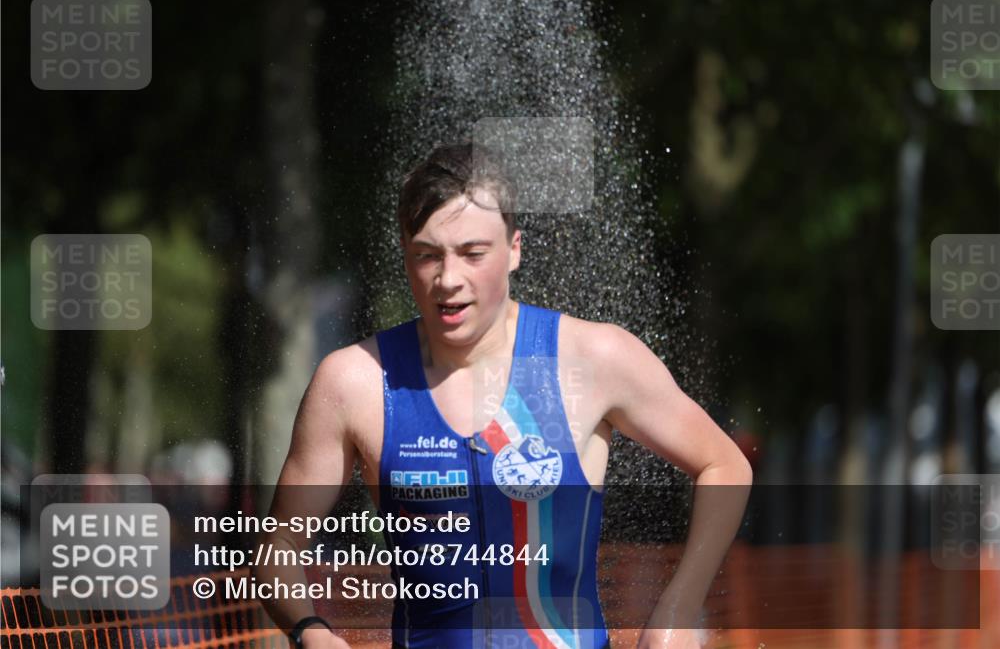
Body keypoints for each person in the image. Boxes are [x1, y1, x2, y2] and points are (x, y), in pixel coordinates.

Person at [254, 143, 752, 649]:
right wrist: (309, 631)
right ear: (404, 251)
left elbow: (724, 465)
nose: (449, 280)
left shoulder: (594, 359)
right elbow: (279, 546)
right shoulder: (354, 381)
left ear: (514, 249)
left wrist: (678, 609)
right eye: (427, 255)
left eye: (473, 254)